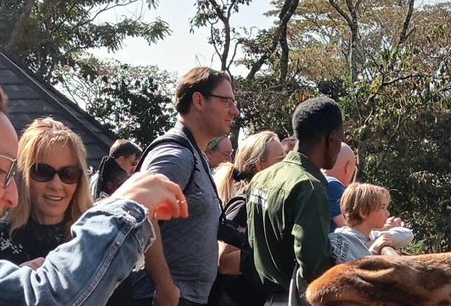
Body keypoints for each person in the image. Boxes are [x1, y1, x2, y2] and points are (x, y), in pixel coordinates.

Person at [0, 52, 188, 306]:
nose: (12, 196)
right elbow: (44, 297)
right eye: (2, 170)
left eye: (70, 173)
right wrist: (124, 208)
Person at [131, 67, 240, 306]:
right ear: (199, 100)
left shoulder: (193, 153)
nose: (235, 111)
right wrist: (164, 286)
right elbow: (140, 214)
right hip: (166, 298)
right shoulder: (176, 155)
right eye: (227, 101)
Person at [244, 97, 344, 304]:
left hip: (267, 299)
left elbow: (251, 247)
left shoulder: (261, 178)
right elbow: (314, 266)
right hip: (297, 300)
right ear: (331, 138)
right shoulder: (308, 186)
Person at [0, 117, 93, 265]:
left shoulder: (94, 240)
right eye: (42, 172)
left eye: (68, 174)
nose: (56, 185)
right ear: (22, 175)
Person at [210, 131, 285, 306]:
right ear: (260, 165)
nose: (286, 165)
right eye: (280, 159)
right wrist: (273, 256)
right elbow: (224, 260)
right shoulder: (243, 206)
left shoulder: (267, 205)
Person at [329, 183, 402, 263]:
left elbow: (408, 235)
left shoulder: (373, 236)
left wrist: (379, 239)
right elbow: (349, 271)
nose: (387, 214)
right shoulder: (340, 241)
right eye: (382, 208)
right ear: (363, 212)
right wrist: (373, 250)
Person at [321, 143, 357, 232]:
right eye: (353, 172)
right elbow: (352, 228)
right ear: (348, 167)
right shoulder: (332, 186)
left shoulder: (316, 179)